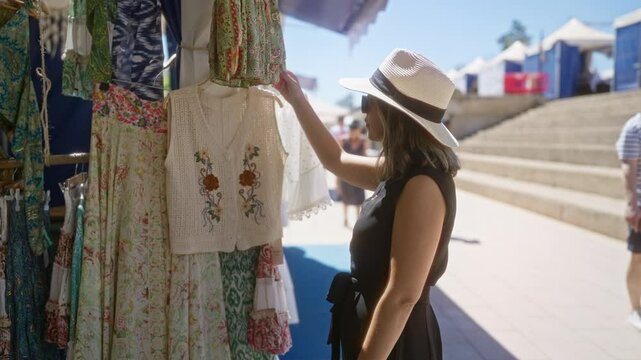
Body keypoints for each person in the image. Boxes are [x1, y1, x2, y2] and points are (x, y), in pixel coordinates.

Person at [276, 48, 459, 359]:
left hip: (394, 343)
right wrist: (297, 99)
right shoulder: (403, 170)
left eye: (367, 102)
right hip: (380, 333)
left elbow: (403, 296)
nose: (363, 113)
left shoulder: (422, 185)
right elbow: (336, 160)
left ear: (391, 113)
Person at [615, 112, 641, 331]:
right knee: (639, 258)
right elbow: (628, 168)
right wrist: (632, 204)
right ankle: (636, 309)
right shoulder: (635, 127)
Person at [338, 120, 369, 227]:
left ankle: (358, 219)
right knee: (345, 198)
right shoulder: (343, 140)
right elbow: (339, 159)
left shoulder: (363, 141)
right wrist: (337, 179)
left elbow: (365, 156)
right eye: (352, 130)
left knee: (359, 199)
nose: (353, 132)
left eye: (355, 130)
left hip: (359, 173)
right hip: (346, 173)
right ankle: (345, 219)